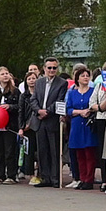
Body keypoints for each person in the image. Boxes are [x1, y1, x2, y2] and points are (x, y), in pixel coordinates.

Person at [27, 58, 65, 186]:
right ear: (44, 69)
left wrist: (47, 112)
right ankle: (45, 178)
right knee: (42, 151)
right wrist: (39, 111)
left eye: (54, 68)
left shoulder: (62, 83)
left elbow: (59, 100)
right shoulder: (39, 82)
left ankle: (55, 179)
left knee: (54, 151)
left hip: (52, 120)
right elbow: (33, 99)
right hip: (39, 120)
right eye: (49, 68)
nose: (52, 70)